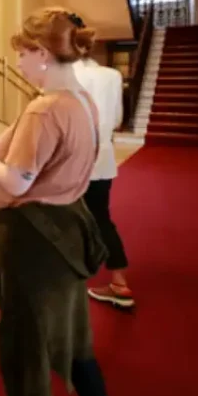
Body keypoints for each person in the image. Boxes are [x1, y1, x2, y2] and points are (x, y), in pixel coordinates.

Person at [0, 8, 109, 396]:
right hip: (68, 229)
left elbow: (16, 181)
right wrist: (3, 144)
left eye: (23, 53)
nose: (18, 62)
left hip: (34, 241)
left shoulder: (45, 108)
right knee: (72, 334)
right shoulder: (82, 101)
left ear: (42, 52)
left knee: (26, 341)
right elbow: (51, 158)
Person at [74, 56, 133, 309]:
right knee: (100, 217)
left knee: (65, 215)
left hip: (74, 157)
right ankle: (118, 279)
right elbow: (118, 119)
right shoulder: (112, 75)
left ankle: (71, 273)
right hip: (104, 157)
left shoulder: (68, 75)